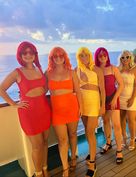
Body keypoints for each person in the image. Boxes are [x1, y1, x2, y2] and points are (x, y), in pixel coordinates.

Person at [0, 41, 51, 177]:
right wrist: (14, 104)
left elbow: (44, 88)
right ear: (20, 55)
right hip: (29, 113)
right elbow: (1, 88)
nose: (28, 55)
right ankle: (38, 173)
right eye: (25, 53)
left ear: (35, 54)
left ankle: (45, 168)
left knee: (45, 142)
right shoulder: (17, 72)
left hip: (44, 110)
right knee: (37, 145)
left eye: (31, 52)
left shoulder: (39, 69)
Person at [46, 47, 81, 176]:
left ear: (64, 57)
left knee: (72, 134)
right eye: (55, 56)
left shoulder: (71, 72)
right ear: (51, 58)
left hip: (72, 108)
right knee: (62, 140)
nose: (58, 58)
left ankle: (73, 159)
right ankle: (65, 168)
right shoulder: (48, 73)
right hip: (57, 112)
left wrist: (81, 107)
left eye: (61, 55)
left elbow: (78, 91)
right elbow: (42, 90)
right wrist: (24, 95)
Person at [76, 47, 105, 177]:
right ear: (78, 57)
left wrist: (103, 105)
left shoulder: (97, 70)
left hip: (94, 102)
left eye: (86, 55)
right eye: (81, 55)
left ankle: (93, 163)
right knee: (89, 133)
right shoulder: (76, 70)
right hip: (82, 103)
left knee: (89, 131)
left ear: (89, 55)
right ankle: (91, 153)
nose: (84, 57)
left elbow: (102, 90)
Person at [94, 47, 124, 164]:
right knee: (105, 122)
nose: (103, 57)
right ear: (97, 57)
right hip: (102, 100)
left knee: (116, 125)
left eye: (104, 55)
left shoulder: (113, 68)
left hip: (113, 98)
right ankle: (108, 143)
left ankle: (119, 150)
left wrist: (115, 99)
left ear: (107, 56)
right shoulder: (95, 70)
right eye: (100, 55)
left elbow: (121, 85)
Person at [118, 50, 136, 151]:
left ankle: (132, 139)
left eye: (127, 57)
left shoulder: (135, 70)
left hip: (132, 97)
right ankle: (123, 137)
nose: (125, 59)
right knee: (121, 119)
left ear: (131, 58)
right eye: (123, 57)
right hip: (120, 97)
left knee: (131, 120)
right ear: (120, 59)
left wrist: (132, 98)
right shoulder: (118, 69)